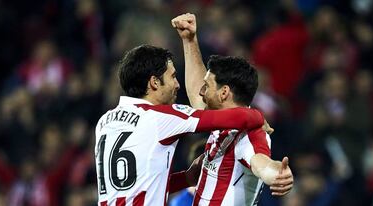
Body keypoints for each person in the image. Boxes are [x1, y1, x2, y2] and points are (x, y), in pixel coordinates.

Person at [94, 45, 269, 206]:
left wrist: (186, 178)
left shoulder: (104, 122)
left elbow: (135, 185)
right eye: (172, 77)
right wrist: (258, 117)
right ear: (154, 82)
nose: (178, 85)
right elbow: (232, 118)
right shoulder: (161, 117)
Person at [171, 13, 294, 205]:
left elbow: (261, 162)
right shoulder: (223, 122)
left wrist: (277, 173)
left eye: (207, 86)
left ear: (224, 93)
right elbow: (196, 93)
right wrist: (189, 39)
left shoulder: (249, 134)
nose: (202, 92)